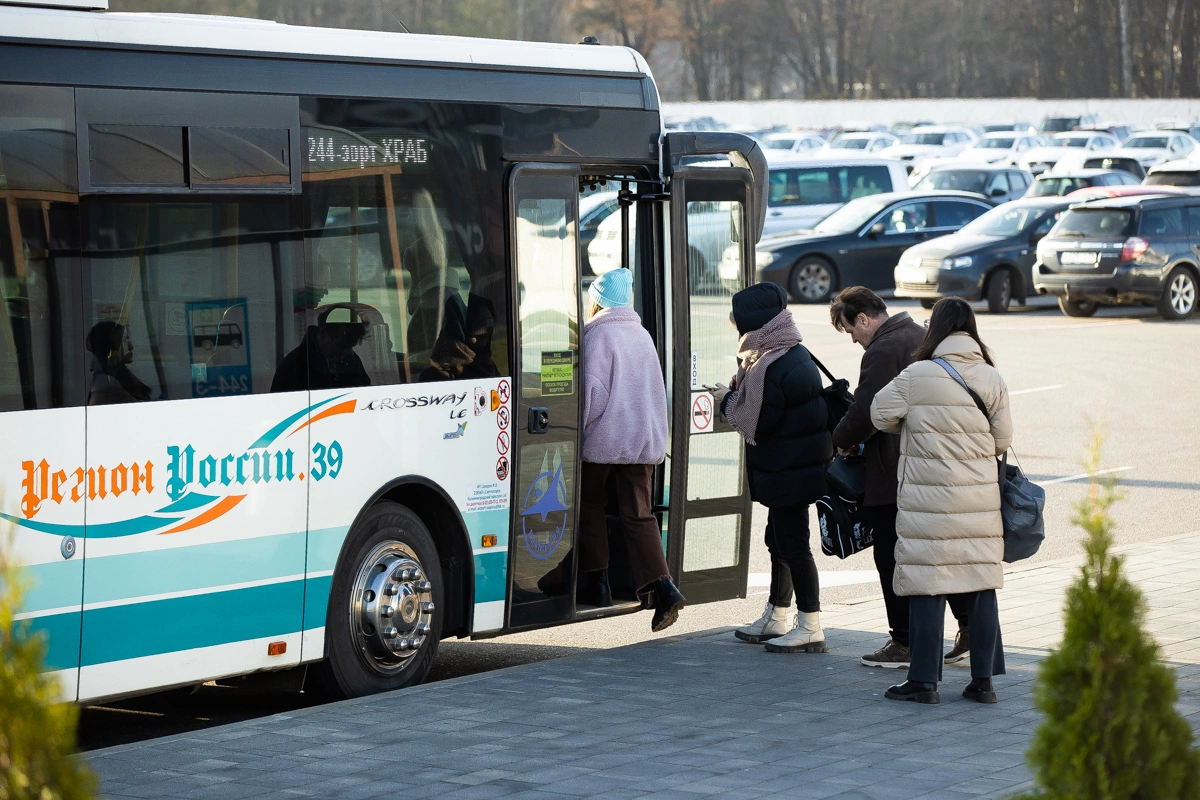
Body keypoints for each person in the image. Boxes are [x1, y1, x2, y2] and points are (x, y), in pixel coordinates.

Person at [870, 297, 1012, 705]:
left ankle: (924, 683)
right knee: (981, 585)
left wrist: (913, 422)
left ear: (936, 330)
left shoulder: (918, 374)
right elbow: (1002, 440)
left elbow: (880, 414)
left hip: (927, 501)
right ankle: (983, 683)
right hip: (979, 502)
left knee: (926, 586)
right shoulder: (991, 376)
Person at [828, 287, 970, 669]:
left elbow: (867, 410)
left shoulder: (883, 348)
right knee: (938, 552)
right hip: (935, 469)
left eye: (850, 330)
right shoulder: (921, 336)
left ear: (862, 318)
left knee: (891, 556)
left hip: (894, 472)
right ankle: (971, 627)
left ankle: (904, 642)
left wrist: (840, 440)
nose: (854, 340)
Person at [718, 282, 833, 654]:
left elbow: (759, 422)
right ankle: (777, 614)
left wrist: (727, 401)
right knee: (779, 542)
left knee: (794, 546)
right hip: (795, 467)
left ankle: (810, 625)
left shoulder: (772, 362)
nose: (732, 322)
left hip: (790, 470)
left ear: (753, 320)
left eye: (735, 316)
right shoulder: (785, 352)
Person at [575, 268, 685, 632]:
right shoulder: (641, 335)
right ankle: (665, 586)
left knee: (590, 506)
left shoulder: (595, 337)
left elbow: (590, 395)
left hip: (602, 442)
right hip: (641, 442)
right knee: (639, 514)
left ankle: (600, 583)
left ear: (597, 300)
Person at [86, 320, 152, 404]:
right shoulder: (105, 383)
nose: (131, 346)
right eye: (125, 339)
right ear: (111, 345)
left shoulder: (115, 377)